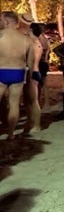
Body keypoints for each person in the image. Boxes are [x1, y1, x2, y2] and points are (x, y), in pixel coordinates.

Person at [0, 11, 35, 139]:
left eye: (1, 20)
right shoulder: (26, 39)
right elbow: (30, 61)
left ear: (7, 21)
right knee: (14, 104)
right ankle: (11, 134)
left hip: (1, 70)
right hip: (18, 72)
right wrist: (30, 76)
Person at [18, 12, 42, 133]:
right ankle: (29, 122)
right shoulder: (32, 40)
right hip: (31, 72)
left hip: (33, 72)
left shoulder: (34, 42)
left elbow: (34, 61)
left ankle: (37, 125)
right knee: (27, 100)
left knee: (33, 100)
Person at [30, 22, 51, 109]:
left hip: (40, 63)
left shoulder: (38, 39)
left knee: (41, 84)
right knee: (39, 84)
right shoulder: (44, 38)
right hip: (43, 63)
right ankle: (39, 102)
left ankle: (46, 103)